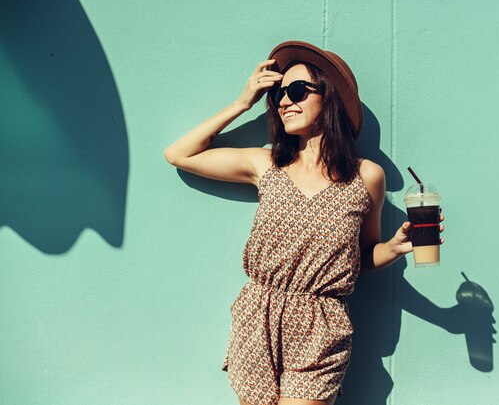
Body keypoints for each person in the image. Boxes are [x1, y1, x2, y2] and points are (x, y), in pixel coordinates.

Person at [163, 40, 445, 405]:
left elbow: (360, 258)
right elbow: (178, 154)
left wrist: (392, 249)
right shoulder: (266, 165)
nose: (283, 101)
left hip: (321, 323)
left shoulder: (367, 177)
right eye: (278, 94)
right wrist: (243, 102)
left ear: (329, 97)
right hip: (258, 315)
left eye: (296, 90)